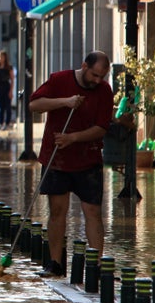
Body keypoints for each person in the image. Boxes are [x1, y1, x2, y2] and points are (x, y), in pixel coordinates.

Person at [28, 51, 113, 277]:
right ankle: (55, 263)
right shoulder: (59, 80)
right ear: (84, 66)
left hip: (88, 158)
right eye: (94, 75)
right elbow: (34, 104)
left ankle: (96, 266)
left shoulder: (104, 91)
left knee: (93, 211)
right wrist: (65, 102)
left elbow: (102, 127)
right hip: (57, 158)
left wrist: (73, 138)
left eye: (101, 77)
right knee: (57, 210)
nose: (97, 81)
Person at [0, 49, 14, 129]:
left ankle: (7, 123)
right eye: (0, 57)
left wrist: (11, 91)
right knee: (1, 107)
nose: (1, 58)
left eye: (2, 57)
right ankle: (1, 123)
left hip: (6, 87)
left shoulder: (9, 67)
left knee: (7, 106)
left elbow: (12, 79)